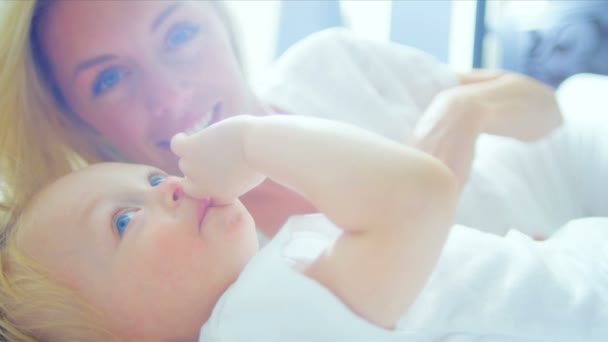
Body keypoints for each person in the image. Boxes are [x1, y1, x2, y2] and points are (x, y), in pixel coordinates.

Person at [2, 116, 606, 341]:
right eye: (125, 219)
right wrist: (250, 140)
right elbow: (418, 195)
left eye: (156, 178)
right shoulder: (256, 320)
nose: (174, 186)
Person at [0, 0, 562, 237]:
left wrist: (464, 108)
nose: (171, 94)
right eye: (110, 79)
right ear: (76, 119)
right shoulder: (195, 259)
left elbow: (546, 107)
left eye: (179, 34)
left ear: (221, 17)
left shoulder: (334, 62)